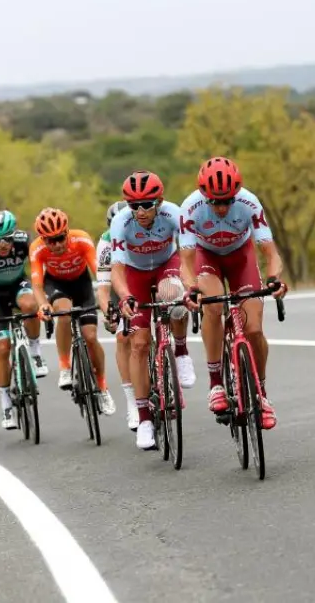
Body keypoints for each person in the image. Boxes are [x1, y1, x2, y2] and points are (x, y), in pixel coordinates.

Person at [178, 156, 288, 430]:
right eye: (215, 201)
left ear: (236, 193)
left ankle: (261, 394)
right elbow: (186, 263)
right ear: (204, 195)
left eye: (228, 200)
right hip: (206, 258)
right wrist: (192, 288)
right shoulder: (190, 207)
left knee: (254, 329)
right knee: (214, 307)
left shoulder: (249, 202)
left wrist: (274, 279)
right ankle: (216, 383)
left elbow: (271, 253)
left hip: (241, 257)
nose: (222, 207)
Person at [110, 170, 193, 451]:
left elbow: (188, 254)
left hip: (166, 265)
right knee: (139, 344)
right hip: (135, 274)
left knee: (174, 297)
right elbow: (117, 269)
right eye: (134, 205)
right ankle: (144, 418)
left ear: (159, 202)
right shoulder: (121, 223)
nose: (141, 211)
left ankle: (180, 350)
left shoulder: (173, 214)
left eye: (147, 205)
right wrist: (125, 296)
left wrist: (190, 285)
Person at [31, 207, 115, 416]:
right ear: (43, 239)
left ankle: (103, 387)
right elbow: (37, 286)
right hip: (56, 285)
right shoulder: (37, 249)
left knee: (91, 336)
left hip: (82, 284)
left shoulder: (82, 240)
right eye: (51, 241)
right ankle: (65, 367)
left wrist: (109, 303)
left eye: (60, 238)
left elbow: (101, 274)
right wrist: (43, 305)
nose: (57, 245)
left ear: (67, 232)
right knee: (64, 312)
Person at [0, 209, 47, 431]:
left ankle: (34, 350)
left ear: (14, 234)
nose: (3, 244)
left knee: (30, 305)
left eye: (7, 238)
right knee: (2, 347)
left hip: (18, 285)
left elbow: (38, 272)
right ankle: (5, 400)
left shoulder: (25, 242)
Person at [95, 199, 136, 430]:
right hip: (118, 286)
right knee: (123, 336)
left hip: (142, 278)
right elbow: (103, 289)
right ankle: (132, 402)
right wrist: (108, 311)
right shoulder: (106, 242)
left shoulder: (142, 232)